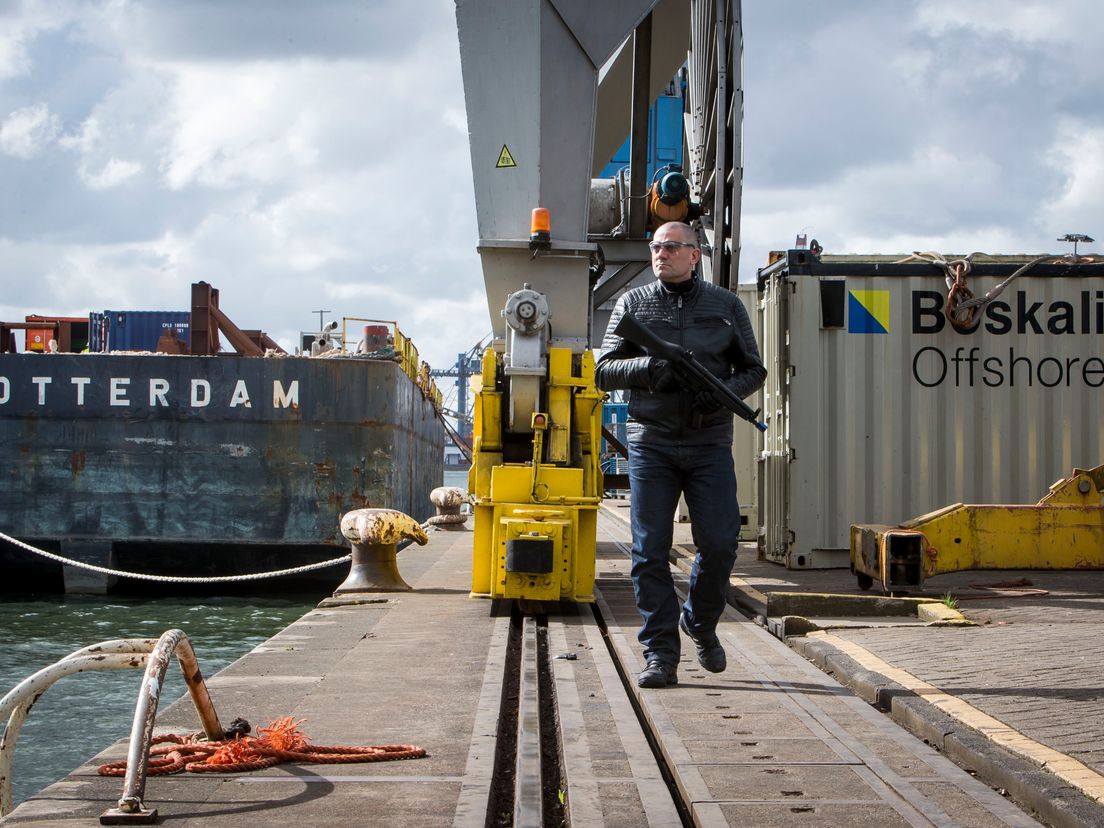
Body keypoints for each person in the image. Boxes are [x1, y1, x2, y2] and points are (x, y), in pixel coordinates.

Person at [594, 221, 767, 688]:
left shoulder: (726, 305)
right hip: (651, 440)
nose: (660, 254)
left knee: (720, 542)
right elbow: (603, 369)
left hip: (709, 441)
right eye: (656, 247)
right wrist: (650, 369)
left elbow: (755, 368)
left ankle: (700, 621)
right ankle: (660, 654)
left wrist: (723, 393)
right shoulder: (633, 303)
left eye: (671, 247)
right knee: (649, 549)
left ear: (694, 255)